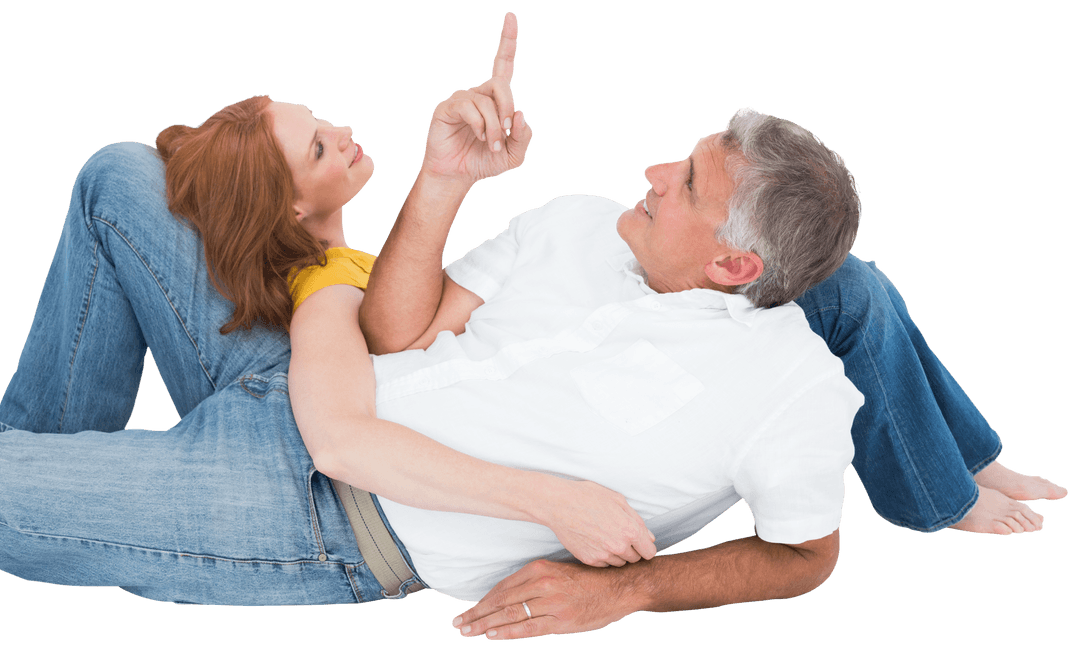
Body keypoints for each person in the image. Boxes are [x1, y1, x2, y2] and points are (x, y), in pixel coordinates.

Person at [0, 10, 1064, 630]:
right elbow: (399, 332)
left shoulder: (784, 391)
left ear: (738, 263)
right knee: (120, 178)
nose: (648, 171)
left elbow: (805, 554)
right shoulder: (580, 225)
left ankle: (950, 482)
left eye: (683, 182)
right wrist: (443, 177)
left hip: (322, 516)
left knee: (863, 291)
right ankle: (53, 458)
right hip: (311, 374)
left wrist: (630, 592)